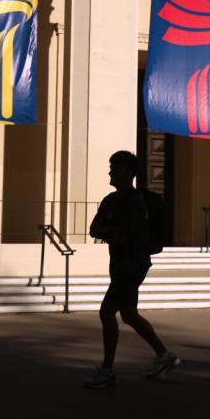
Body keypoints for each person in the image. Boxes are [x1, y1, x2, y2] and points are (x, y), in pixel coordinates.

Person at [83, 151, 180, 389]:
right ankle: (164, 355)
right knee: (128, 314)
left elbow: (121, 233)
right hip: (119, 264)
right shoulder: (110, 200)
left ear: (127, 171)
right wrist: (111, 231)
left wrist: (110, 231)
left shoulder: (136, 202)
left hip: (132, 266)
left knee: (107, 312)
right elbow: (94, 228)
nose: (110, 171)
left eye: (114, 167)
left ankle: (107, 371)